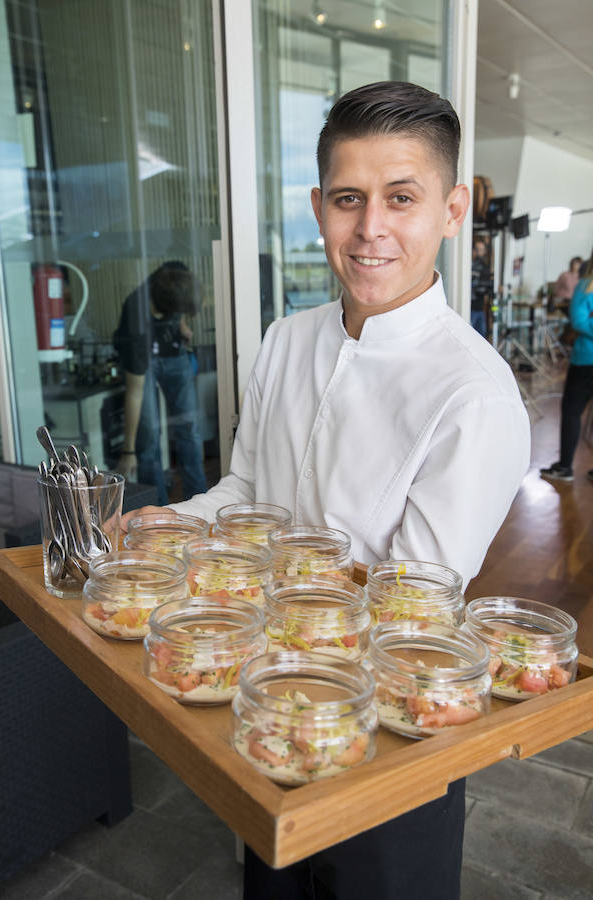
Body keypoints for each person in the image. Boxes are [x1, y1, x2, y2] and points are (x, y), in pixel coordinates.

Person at [122, 82, 530, 899]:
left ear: (451, 210)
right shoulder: (284, 340)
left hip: (388, 729)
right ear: (318, 207)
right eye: (349, 199)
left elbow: (408, 606)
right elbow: (245, 491)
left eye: (401, 198)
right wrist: (172, 521)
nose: (371, 228)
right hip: (268, 703)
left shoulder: (474, 396)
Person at [113, 261, 207, 505]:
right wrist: (128, 451)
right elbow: (135, 393)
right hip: (146, 361)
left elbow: (184, 298)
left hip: (175, 356)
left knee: (189, 429)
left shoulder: (173, 274)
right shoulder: (136, 322)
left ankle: (198, 502)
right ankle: (157, 508)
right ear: (165, 311)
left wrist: (182, 324)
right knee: (149, 436)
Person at [540, 253, 593, 485]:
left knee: (571, 411)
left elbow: (579, 321)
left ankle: (564, 467)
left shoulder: (585, 287)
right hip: (585, 358)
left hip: (586, 359)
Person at [470, 237, 492, 336]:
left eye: (481, 250)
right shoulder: (469, 266)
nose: (479, 253)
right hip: (470, 307)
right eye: (477, 249)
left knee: (481, 337)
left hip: (480, 307)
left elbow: (485, 288)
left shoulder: (485, 267)